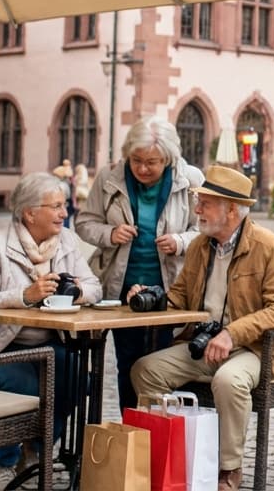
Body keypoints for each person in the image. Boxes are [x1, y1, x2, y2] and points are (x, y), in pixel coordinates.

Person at [130, 164, 274, 491]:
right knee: (145, 370)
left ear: (232, 209)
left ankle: (228, 469)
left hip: (256, 349)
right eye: (199, 201)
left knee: (229, 380)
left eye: (205, 203)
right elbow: (179, 298)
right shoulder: (199, 247)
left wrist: (233, 333)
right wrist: (149, 297)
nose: (197, 209)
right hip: (204, 343)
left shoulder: (268, 246)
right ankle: (168, 456)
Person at [0, 172, 101, 491]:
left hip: (52, 341)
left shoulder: (65, 241)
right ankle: (6, 460)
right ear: (30, 212)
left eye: (64, 205)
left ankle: (37, 450)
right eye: (56, 206)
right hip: (3, 344)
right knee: (24, 386)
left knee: (77, 375)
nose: (64, 213)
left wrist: (78, 291)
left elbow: (95, 284)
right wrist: (27, 295)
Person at [75, 116, 202, 411]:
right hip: (121, 288)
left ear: (169, 158)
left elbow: (207, 231)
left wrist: (181, 242)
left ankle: (161, 430)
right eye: (136, 160)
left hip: (171, 289)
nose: (143, 168)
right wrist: (109, 233)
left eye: (152, 162)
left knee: (162, 361)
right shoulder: (109, 177)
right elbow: (84, 222)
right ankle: (132, 430)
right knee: (128, 362)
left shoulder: (191, 180)